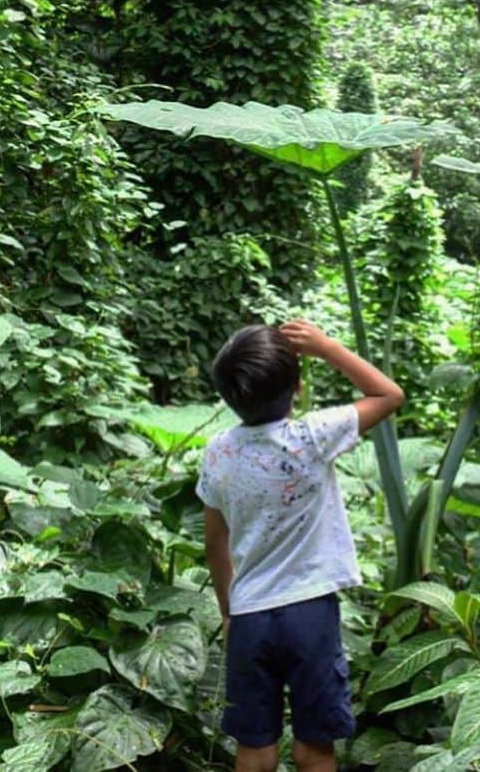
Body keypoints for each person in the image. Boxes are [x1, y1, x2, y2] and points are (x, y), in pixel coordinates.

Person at [196, 318, 405, 772]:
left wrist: (229, 610)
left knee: (255, 748)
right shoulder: (313, 436)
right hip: (310, 611)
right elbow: (390, 395)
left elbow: (216, 543)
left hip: (250, 614)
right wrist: (328, 346)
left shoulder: (218, 452)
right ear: (298, 389)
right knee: (315, 748)